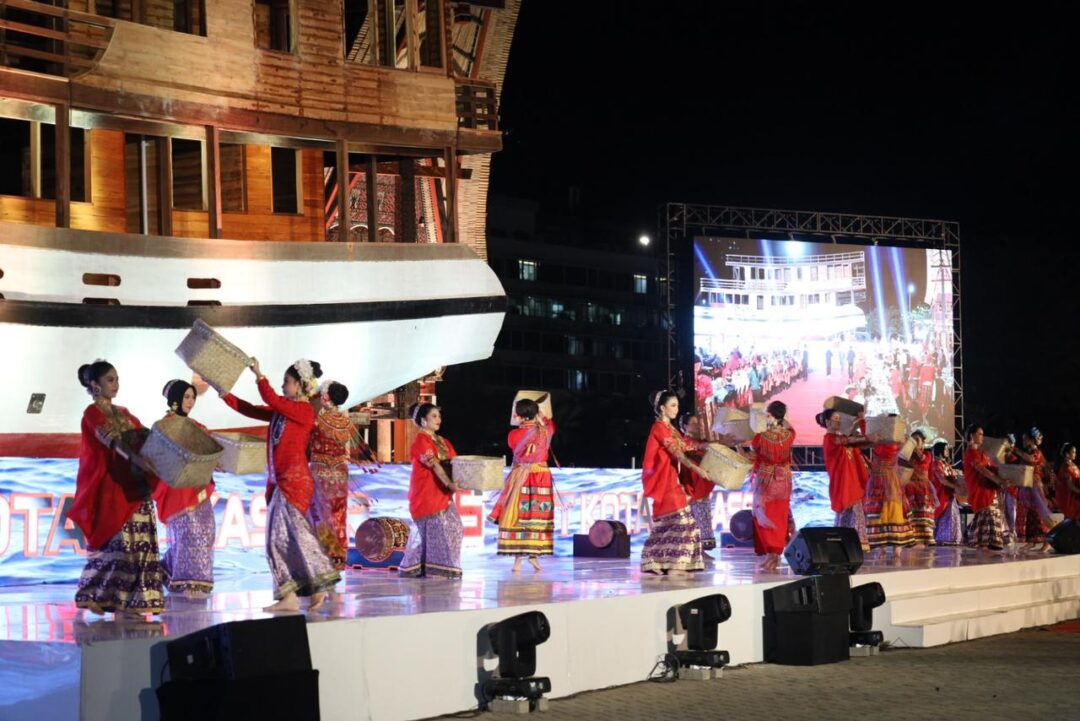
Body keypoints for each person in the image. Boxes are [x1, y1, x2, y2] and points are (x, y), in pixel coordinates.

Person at [221, 358, 340, 612]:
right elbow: (251, 410)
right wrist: (224, 395)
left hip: (294, 483)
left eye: (286, 381)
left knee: (279, 540)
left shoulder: (303, 410)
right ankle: (307, 589)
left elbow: (271, 399)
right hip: (282, 482)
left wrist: (259, 375)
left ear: (300, 385)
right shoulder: (284, 410)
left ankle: (303, 590)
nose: (283, 386)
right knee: (288, 539)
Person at [69, 360, 164, 618]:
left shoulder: (124, 412)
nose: (116, 384)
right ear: (95, 385)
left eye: (117, 379)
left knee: (141, 544)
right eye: (110, 380)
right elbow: (110, 439)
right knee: (118, 546)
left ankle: (133, 601)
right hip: (112, 489)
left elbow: (143, 436)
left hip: (135, 485)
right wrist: (134, 458)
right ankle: (92, 593)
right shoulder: (92, 413)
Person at [154, 379, 216, 599]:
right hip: (178, 490)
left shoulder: (198, 427)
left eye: (193, 398)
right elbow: (157, 459)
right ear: (175, 399)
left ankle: (174, 574)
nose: (190, 402)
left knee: (205, 531)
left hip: (199, 488)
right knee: (188, 534)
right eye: (186, 397)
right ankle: (186, 582)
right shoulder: (164, 427)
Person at [308, 380, 378, 569]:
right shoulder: (345, 421)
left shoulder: (318, 420)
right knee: (338, 514)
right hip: (340, 471)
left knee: (320, 513)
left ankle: (323, 555)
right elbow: (357, 447)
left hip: (321, 471)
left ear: (326, 397)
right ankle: (339, 555)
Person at [639, 391, 708, 575]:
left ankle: (655, 561)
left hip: (672, 479)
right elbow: (678, 453)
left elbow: (686, 447)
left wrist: (710, 446)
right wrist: (698, 470)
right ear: (662, 408)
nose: (676, 409)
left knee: (669, 525)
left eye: (677, 405)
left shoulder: (670, 428)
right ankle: (673, 565)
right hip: (664, 482)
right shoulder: (659, 428)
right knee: (683, 522)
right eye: (673, 405)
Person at [489, 397, 556, 572]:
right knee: (537, 517)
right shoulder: (546, 431)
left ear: (521, 416)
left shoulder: (513, 435)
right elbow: (550, 424)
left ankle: (518, 560)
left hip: (520, 477)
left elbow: (514, 445)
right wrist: (542, 416)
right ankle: (533, 556)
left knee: (519, 516)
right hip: (541, 477)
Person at [399, 402, 464, 578]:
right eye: (434, 416)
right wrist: (449, 484)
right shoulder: (421, 441)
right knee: (438, 531)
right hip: (427, 494)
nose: (438, 419)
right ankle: (433, 568)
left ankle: (437, 567)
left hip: (443, 494)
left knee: (455, 528)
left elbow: (456, 463)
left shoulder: (443, 441)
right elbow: (434, 465)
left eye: (439, 416)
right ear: (423, 420)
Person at [747, 400, 796, 572]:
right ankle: (775, 554)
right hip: (784, 481)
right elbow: (789, 426)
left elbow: (753, 454)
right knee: (780, 516)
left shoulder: (761, 437)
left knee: (764, 516)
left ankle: (771, 554)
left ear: (769, 415)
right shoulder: (790, 435)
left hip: (766, 482)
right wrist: (781, 418)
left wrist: (738, 446)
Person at [818, 408, 872, 552]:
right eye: (835, 418)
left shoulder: (842, 438)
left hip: (853, 483)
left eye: (839, 418)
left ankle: (855, 546)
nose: (839, 421)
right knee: (844, 516)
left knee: (856, 515)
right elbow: (850, 440)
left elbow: (863, 441)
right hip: (843, 483)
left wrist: (861, 422)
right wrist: (858, 425)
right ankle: (844, 546)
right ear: (828, 422)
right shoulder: (830, 439)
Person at [864, 430, 915, 556]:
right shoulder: (896, 441)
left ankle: (883, 547)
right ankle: (896, 547)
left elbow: (866, 433)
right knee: (892, 510)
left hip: (880, 479)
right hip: (890, 480)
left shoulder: (879, 441)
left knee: (882, 511)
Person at [963, 424, 1010, 554]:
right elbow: (983, 470)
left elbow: (992, 468)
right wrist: (999, 481)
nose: (982, 437)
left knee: (991, 515)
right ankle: (980, 544)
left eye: (982, 434)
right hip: (980, 489)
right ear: (971, 435)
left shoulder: (982, 454)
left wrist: (1007, 475)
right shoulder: (971, 453)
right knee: (987, 515)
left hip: (989, 489)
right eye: (979, 434)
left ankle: (985, 547)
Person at [1009, 427, 1055, 552]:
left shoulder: (1037, 453)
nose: (1023, 441)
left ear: (1031, 440)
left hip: (1035, 486)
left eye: (1025, 439)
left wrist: (1014, 449)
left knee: (1040, 513)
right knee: (1029, 514)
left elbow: (1031, 459)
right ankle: (1031, 541)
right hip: (1026, 486)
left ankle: (1047, 541)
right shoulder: (1026, 453)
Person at [680, 414, 717, 557]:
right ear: (685, 426)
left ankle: (699, 551)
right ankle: (695, 552)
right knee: (694, 519)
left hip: (702, 485)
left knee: (703, 517)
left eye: (698, 423)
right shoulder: (684, 442)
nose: (697, 426)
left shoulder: (701, 442)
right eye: (693, 423)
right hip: (691, 486)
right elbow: (698, 446)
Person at [903, 430, 936, 547]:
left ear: (923, 442)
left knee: (923, 515)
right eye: (913, 440)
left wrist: (915, 447)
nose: (915, 442)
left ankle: (925, 540)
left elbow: (923, 460)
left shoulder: (927, 455)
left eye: (918, 440)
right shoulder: (907, 455)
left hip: (923, 489)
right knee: (911, 516)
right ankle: (912, 539)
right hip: (910, 489)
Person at [929, 440, 962, 546]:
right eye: (946, 449)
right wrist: (955, 486)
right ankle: (943, 538)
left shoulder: (945, 464)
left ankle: (951, 538)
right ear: (940, 451)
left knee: (952, 515)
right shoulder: (936, 464)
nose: (947, 451)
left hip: (949, 494)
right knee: (944, 516)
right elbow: (942, 480)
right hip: (941, 494)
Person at [1055, 443, 1080, 521]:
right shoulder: (1065, 468)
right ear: (1067, 454)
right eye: (1073, 452)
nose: (1075, 454)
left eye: (1075, 452)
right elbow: (1070, 485)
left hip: (1075, 497)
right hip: (1068, 498)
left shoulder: (1073, 465)